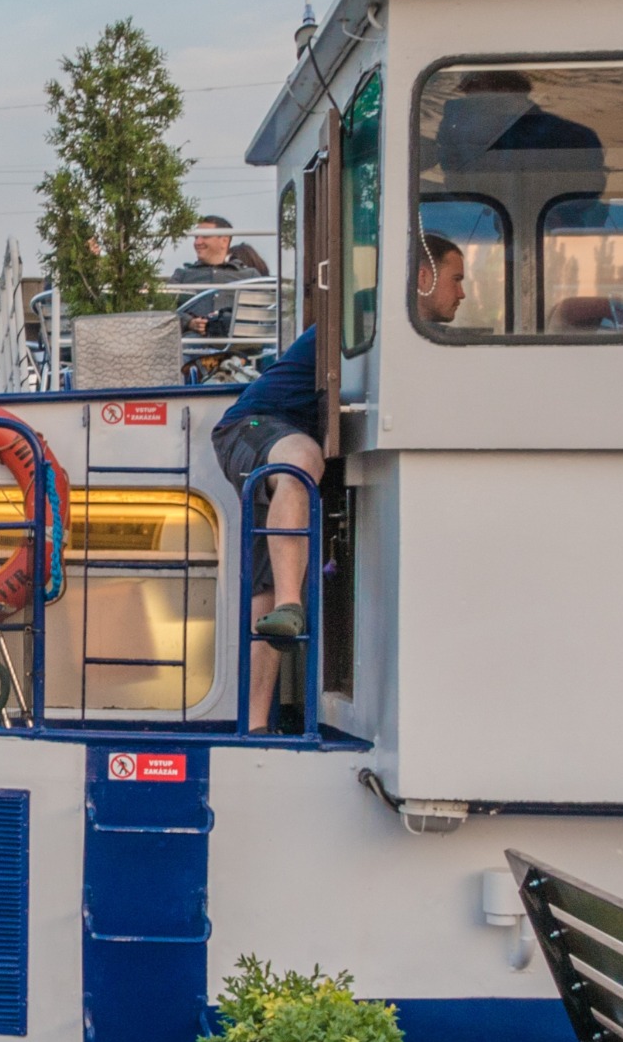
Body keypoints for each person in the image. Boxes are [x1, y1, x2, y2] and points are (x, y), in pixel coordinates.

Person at [214, 232, 466, 729]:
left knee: (264, 584)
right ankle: (292, 605)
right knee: (300, 460)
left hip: (284, 439)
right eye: (457, 279)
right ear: (423, 277)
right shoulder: (365, 322)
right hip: (252, 426)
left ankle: (257, 724)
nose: (463, 293)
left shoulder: (405, 331)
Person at [172, 216, 270, 338]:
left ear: (224, 240)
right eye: (196, 237)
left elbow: (267, 314)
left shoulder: (249, 275)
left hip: (238, 345)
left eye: (205, 236)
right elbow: (164, 312)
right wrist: (190, 322)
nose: (197, 242)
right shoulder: (182, 275)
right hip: (193, 346)